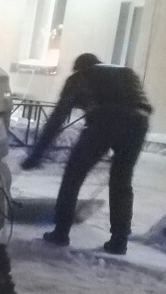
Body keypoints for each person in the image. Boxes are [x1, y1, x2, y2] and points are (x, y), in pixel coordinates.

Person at [20, 53, 153, 256]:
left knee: (73, 175)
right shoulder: (126, 73)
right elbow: (135, 103)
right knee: (121, 181)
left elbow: (58, 118)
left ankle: (61, 232)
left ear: (80, 67)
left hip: (106, 120)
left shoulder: (80, 77)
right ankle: (119, 241)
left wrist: (36, 155)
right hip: (139, 122)